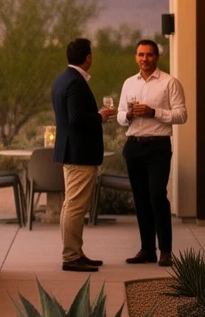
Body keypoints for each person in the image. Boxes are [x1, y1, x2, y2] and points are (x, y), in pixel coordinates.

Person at [117, 39, 188, 267]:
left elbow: (181, 115)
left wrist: (153, 112)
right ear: (136, 57)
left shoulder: (170, 83)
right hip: (133, 145)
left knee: (157, 195)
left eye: (149, 55)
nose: (144, 59)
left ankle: (165, 250)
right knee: (140, 199)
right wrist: (127, 115)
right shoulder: (129, 83)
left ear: (156, 57)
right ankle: (147, 250)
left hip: (158, 146)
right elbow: (119, 115)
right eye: (140, 54)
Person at [51, 37, 114, 273]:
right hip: (79, 154)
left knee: (71, 205)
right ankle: (70, 256)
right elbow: (76, 119)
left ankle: (75, 252)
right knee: (76, 206)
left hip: (72, 152)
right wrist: (100, 116)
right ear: (88, 57)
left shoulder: (62, 79)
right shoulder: (76, 82)